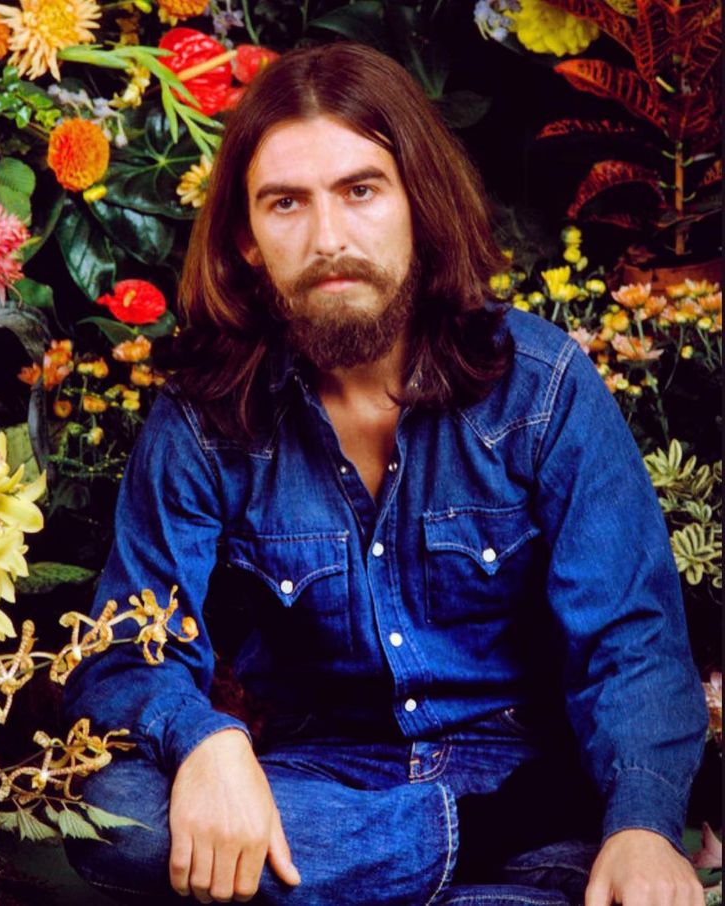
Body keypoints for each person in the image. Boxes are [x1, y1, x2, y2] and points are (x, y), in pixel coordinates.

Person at [64, 42, 708, 906]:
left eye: (360, 191)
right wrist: (206, 742)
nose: (328, 240)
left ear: (418, 205)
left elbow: (633, 643)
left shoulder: (541, 386)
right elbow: (120, 652)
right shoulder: (203, 418)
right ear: (249, 242)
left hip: (508, 769)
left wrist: (641, 829)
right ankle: (467, 848)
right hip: (317, 788)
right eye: (285, 203)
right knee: (113, 813)